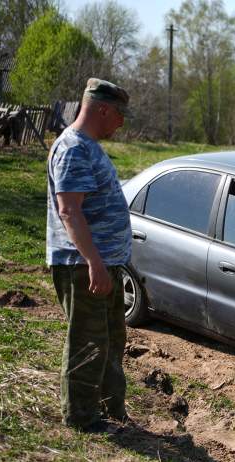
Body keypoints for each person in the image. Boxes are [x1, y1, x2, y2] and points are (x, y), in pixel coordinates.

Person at [47, 78, 132, 433]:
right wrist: (94, 262)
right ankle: (81, 417)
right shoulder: (73, 149)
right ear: (103, 110)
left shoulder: (88, 146)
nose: (122, 123)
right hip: (83, 267)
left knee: (110, 339)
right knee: (88, 341)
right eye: (120, 114)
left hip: (103, 265)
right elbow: (69, 211)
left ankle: (110, 408)